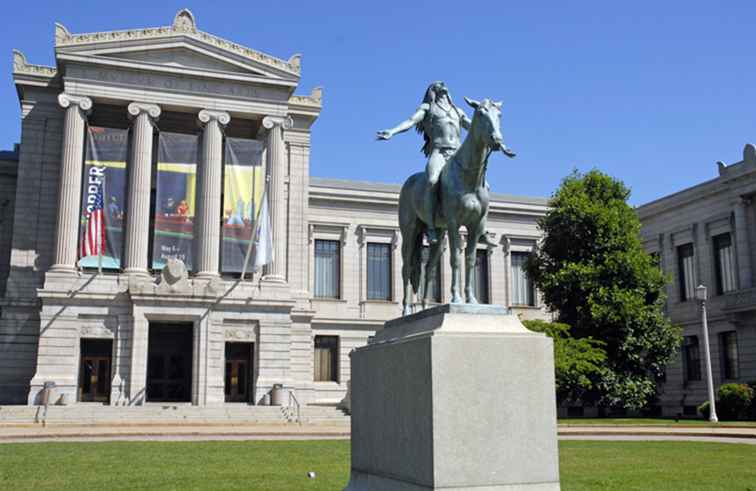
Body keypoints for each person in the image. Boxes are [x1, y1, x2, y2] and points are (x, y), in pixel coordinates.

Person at [377, 81, 500, 246]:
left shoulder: (457, 111)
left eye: (443, 84)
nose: (442, 85)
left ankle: (481, 229)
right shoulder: (428, 109)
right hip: (439, 153)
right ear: (432, 91)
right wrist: (392, 131)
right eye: (437, 85)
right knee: (432, 180)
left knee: (486, 186)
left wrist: (494, 137)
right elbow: (410, 121)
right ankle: (431, 226)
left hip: (457, 154)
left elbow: (477, 126)